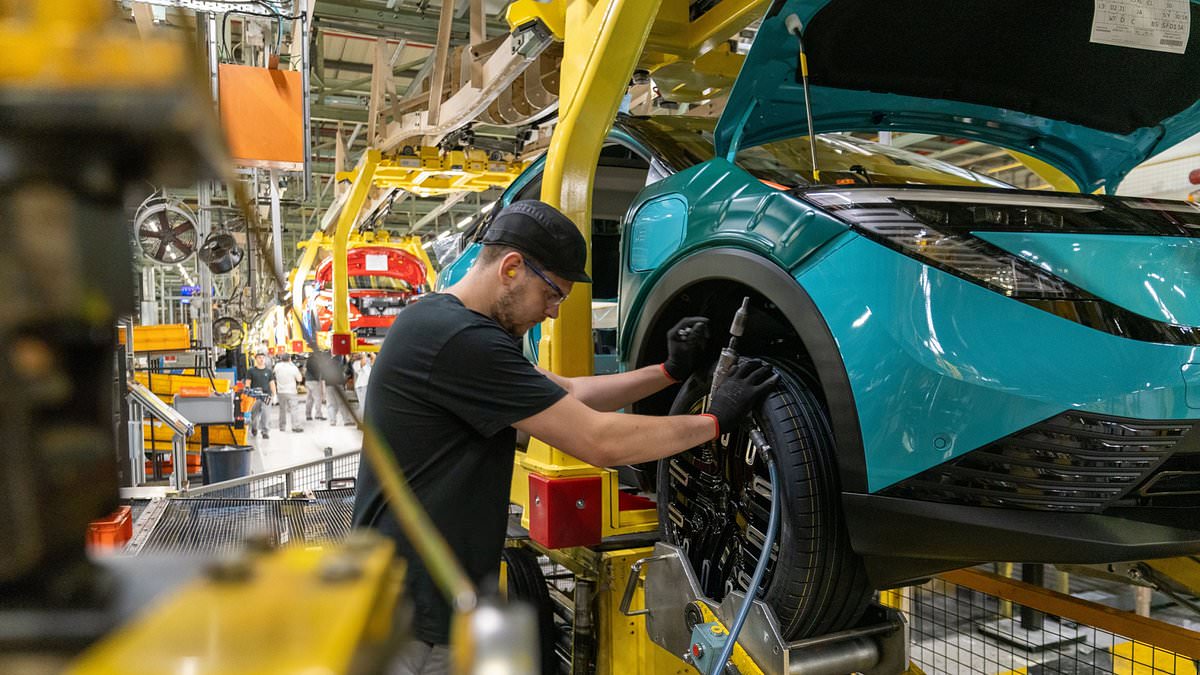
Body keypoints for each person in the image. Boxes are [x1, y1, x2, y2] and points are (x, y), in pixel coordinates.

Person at [351, 200, 777, 673]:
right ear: (512, 268)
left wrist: (668, 371)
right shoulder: (459, 340)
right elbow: (598, 440)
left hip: (422, 599)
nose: (553, 313)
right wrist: (714, 421)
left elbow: (571, 392)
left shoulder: (442, 324)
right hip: (413, 616)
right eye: (553, 294)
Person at [243, 352, 276, 439]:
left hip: (266, 396)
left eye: (263, 358)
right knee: (254, 415)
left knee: (266, 414)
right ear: (256, 359)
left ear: (265, 359)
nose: (261, 359)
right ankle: (254, 428)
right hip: (255, 396)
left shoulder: (268, 371)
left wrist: (274, 395)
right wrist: (247, 390)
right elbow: (248, 382)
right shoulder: (251, 371)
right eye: (259, 358)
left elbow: (272, 383)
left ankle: (265, 431)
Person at [272, 353, 305, 433]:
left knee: (282, 410)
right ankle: (295, 426)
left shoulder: (277, 366)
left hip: (281, 392)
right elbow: (299, 379)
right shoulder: (293, 368)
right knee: (294, 409)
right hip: (291, 391)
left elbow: (274, 374)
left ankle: (282, 427)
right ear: (290, 359)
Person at [304, 352, 326, 421]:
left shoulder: (307, 361)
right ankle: (318, 415)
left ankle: (308, 415)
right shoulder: (317, 361)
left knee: (309, 399)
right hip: (314, 381)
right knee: (318, 398)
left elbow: (304, 370)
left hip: (308, 381)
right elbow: (320, 370)